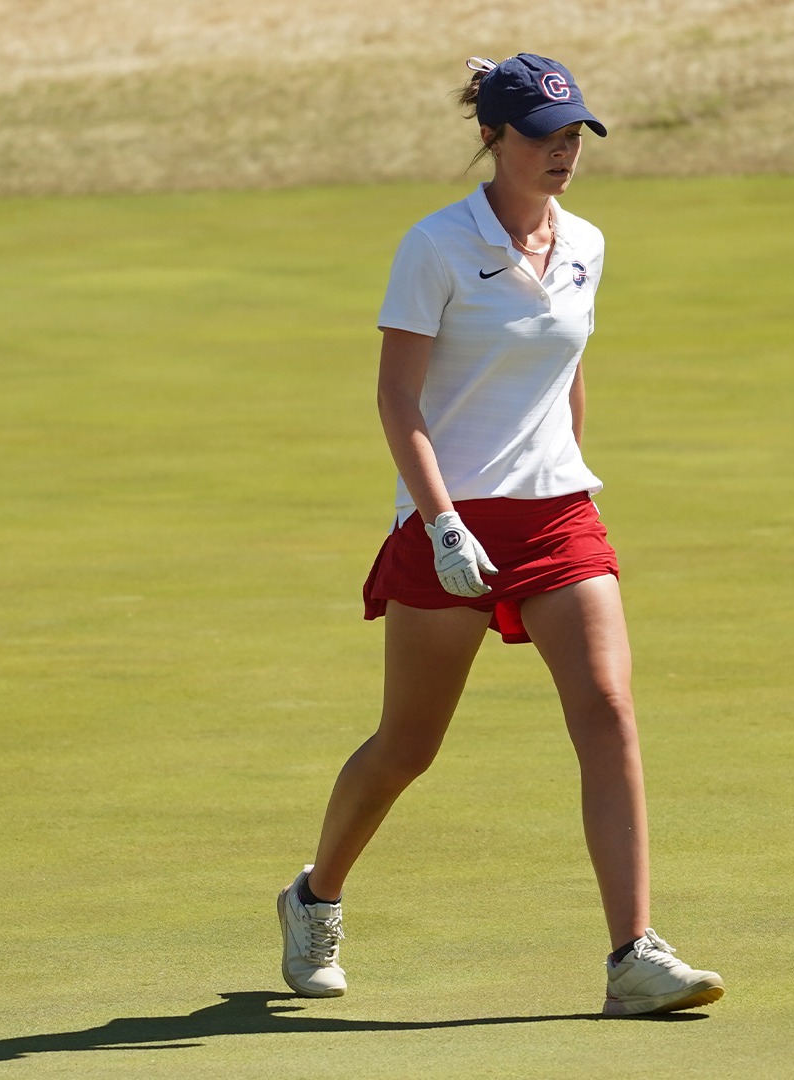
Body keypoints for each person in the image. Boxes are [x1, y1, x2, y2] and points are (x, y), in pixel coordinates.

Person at [276, 54, 723, 1018]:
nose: (563, 152)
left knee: (608, 709)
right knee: (408, 745)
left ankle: (633, 956)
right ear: (494, 137)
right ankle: (315, 898)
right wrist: (439, 522)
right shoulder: (436, 246)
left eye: (574, 136)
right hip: (453, 518)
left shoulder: (589, 243)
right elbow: (399, 398)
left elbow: (569, 374)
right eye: (542, 136)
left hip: (559, 513)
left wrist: (566, 472)